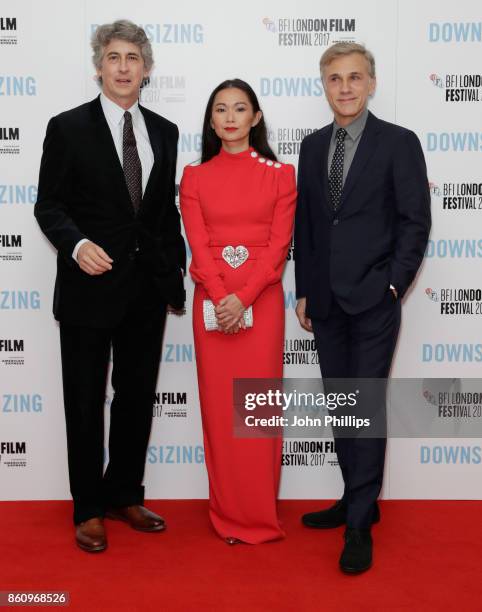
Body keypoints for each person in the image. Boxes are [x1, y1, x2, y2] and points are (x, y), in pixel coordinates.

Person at [34, 20, 185, 553]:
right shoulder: (67, 127)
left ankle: (125, 494)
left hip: (146, 289)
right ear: (99, 66)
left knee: (137, 397)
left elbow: (163, 212)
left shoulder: (164, 131)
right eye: (114, 57)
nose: (123, 67)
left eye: (133, 58)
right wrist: (76, 245)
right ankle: (89, 507)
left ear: (146, 69)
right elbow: (48, 205)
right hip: (87, 288)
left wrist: (174, 274)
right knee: (83, 398)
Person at [294, 43, 431, 573]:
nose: (345, 87)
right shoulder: (310, 147)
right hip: (326, 303)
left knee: (365, 408)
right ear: (324, 86)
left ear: (371, 83)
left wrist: (394, 286)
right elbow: (307, 227)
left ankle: (357, 525)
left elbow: (414, 222)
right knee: (343, 407)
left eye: (354, 77)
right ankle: (358, 500)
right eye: (334, 78)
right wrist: (305, 290)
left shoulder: (398, 143)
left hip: (375, 300)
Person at [180, 79, 296, 544]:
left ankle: (259, 515)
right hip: (212, 305)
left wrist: (241, 298)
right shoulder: (194, 176)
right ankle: (227, 514)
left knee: (256, 414)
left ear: (256, 117)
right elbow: (197, 242)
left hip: (261, 306)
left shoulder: (280, 174)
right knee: (219, 413)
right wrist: (218, 294)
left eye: (240, 108)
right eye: (221, 110)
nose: (230, 117)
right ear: (211, 121)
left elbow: (278, 248)